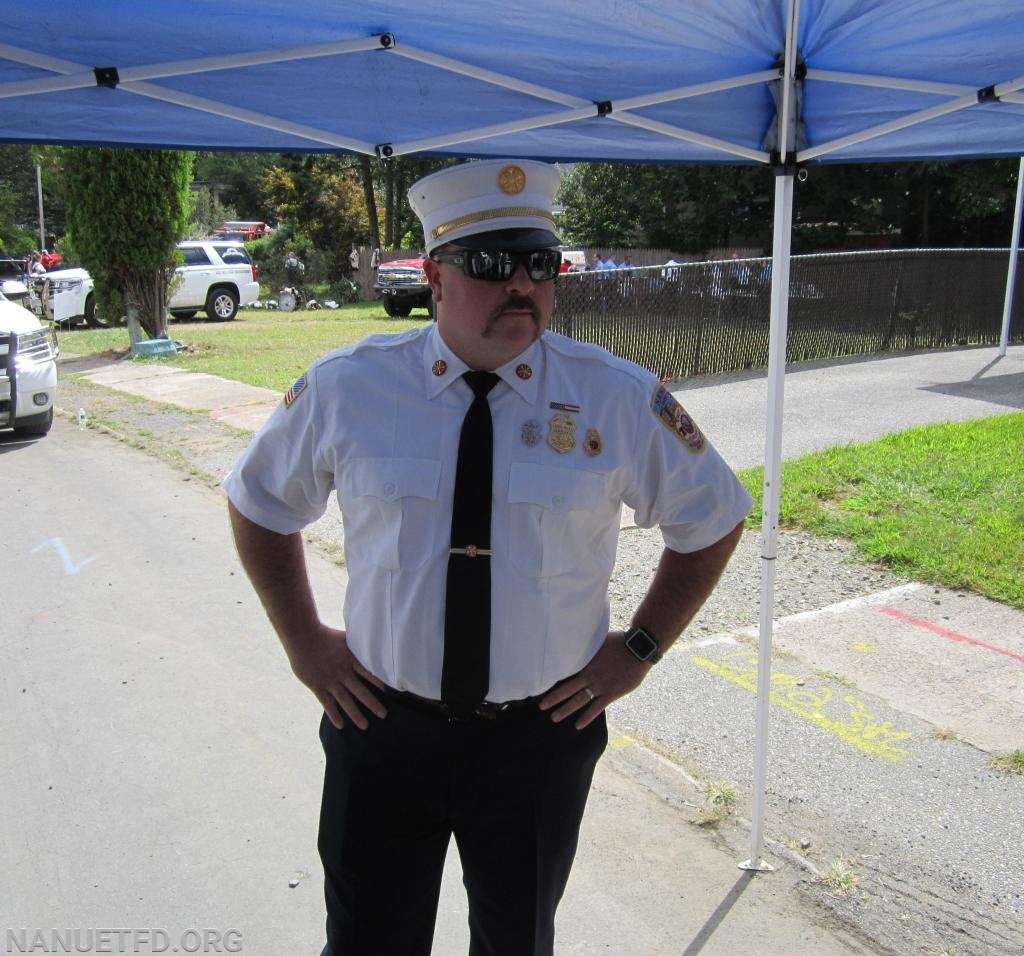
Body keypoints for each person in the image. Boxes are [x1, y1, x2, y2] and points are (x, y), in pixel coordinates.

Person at [225, 158, 752, 956]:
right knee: (367, 942)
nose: (521, 283)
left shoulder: (614, 395)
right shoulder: (349, 389)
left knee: (516, 944)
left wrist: (640, 650)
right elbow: (258, 502)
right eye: (490, 263)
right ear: (433, 278)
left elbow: (713, 517)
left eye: (540, 264)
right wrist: (304, 644)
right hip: (382, 731)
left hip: (535, 746)